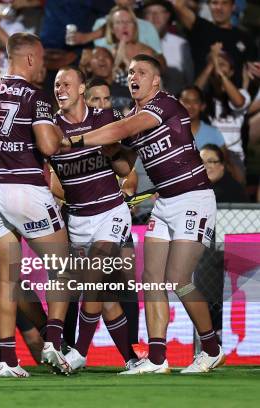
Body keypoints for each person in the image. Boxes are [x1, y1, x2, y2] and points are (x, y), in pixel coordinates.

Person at [62, 54, 225, 374]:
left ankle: (211, 347)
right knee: (151, 281)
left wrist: (76, 138)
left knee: (178, 279)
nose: (134, 76)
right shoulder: (135, 114)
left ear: (156, 81)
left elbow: (121, 128)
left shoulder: (163, 105)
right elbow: (125, 163)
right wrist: (110, 151)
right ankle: (157, 357)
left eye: (142, 72)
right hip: (165, 202)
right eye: (132, 71)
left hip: (194, 198)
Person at [0, 33, 70, 377]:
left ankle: (8, 360)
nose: (43, 67)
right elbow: (48, 146)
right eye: (41, 59)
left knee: (6, 280)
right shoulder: (36, 98)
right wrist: (61, 138)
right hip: (26, 190)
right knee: (61, 268)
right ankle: (53, 340)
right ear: (29, 59)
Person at [49, 66, 137, 372]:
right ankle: (131, 359)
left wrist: (116, 149)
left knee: (94, 280)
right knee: (105, 297)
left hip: (110, 213)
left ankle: (79, 352)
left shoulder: (104, 119)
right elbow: (51, 178)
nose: (60, 89)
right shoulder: (50, 128)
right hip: (77, 220)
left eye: (67, 84)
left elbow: (125, 169)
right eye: (57, 84)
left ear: (82, 88)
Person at [195, 46, 249, 185]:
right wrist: (211, 65)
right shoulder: (206, 99)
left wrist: (219, 71)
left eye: (222, 65)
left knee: (237, 184)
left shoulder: (242, 93)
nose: (217, 68)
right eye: (214, 64)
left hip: (233, 152)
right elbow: (193, 92)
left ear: (231, 72)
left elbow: (238, 103)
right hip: (209, 150)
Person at [170, 0, 257, 87]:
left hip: (235, 97)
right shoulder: (200, 27)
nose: (219, 8)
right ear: (209, 6)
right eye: (214, 3)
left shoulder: (245, 38)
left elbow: (253, 71)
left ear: (233, 6)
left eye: (224, 3)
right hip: (202, 96)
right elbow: (178, 4)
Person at [142, 0, 193, 94]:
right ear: (144, 17)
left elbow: (190, 80)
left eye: (160, 12)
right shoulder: (138, 44)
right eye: (150, 12)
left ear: (167, 15)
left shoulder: (181, 44)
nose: (155, 16)